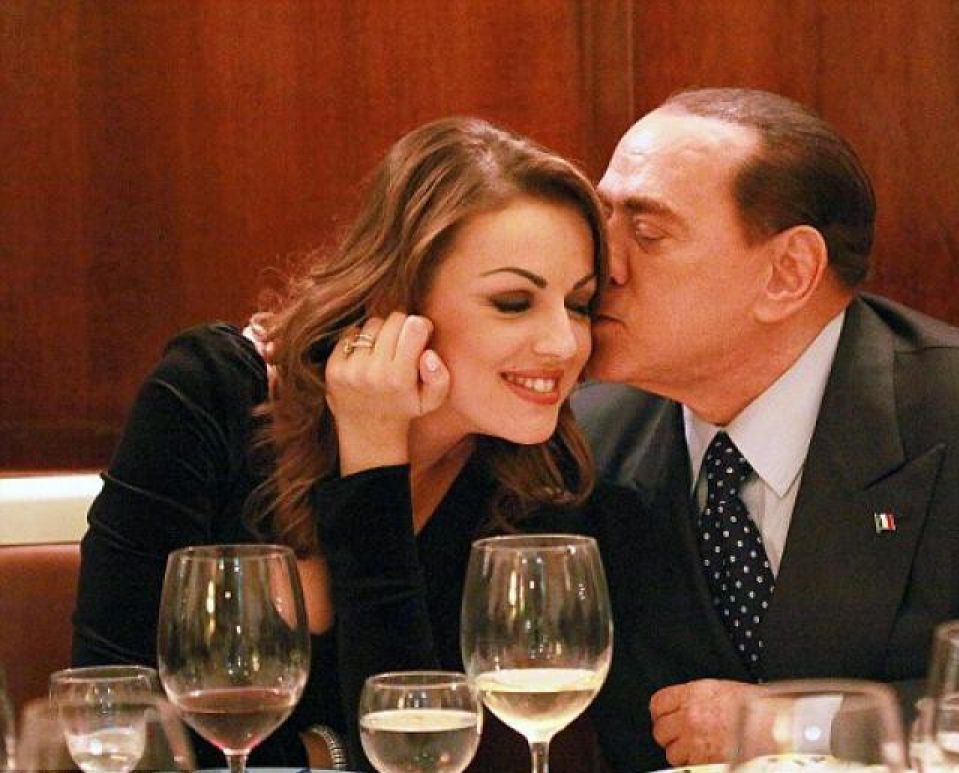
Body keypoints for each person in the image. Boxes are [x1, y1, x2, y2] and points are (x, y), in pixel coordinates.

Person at [572, 87, 959, 771]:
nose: (601, 264)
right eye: (601, 221)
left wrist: (796, 725)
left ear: (788, 273)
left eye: (647, 233)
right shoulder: (586, 434)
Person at [71, 116, 612, 770]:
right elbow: (115, 724)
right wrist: (328, 755)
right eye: (513, 302)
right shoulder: (211, 394)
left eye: (579, 303)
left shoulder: (537, 476)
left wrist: (373, 456)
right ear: (396, 298)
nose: (563, 343)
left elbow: (416, 753)